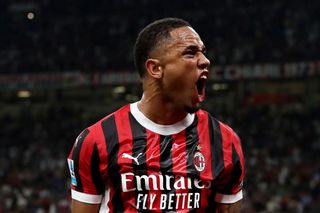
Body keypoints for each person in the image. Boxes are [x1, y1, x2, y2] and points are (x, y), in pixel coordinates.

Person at [67, 17, 245, 213]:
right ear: (155, 68)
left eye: (203, 52)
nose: (205, 60)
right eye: (190, 53)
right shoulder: (96, 140)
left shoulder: (225, 141)